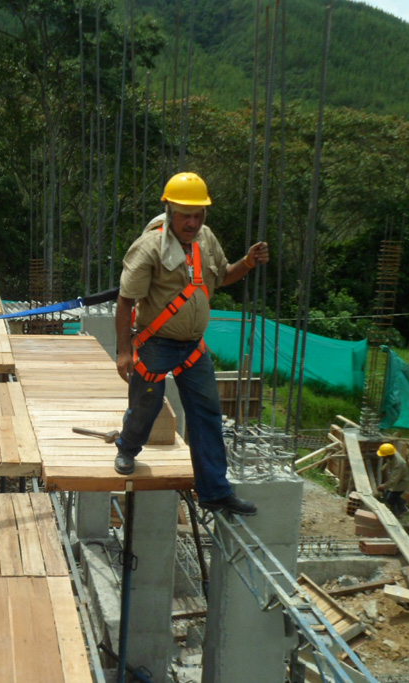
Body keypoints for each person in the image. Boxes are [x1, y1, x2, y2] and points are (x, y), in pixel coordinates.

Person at [114, 172, 269, 516]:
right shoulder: (149, 247)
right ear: (170, 211)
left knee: (207, 415)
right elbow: (125, 301)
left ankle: (214, 490)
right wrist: (124, 352)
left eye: (199, 215)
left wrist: (247, 263)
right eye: (186, 215)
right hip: (156, 344)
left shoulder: (206, 239)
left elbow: (223, 276)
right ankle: (127, 447)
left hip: (193, 347)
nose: (193, 222)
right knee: (146, 406)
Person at [376, 442, 409, 517]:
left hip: (402, 482)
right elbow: (390, 461)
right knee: (391, 495)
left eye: (383, 456)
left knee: (390, 498)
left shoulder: (398, 464)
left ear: (388, 455)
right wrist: (385, 467)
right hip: (398, 480)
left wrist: (384, 486)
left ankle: (398, 512)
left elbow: (393, 480)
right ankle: (402, 508)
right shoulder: (392, 453)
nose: (382, 457)